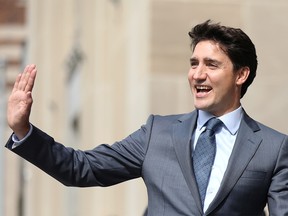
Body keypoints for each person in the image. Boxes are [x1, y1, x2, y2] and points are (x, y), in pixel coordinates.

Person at [5, 20, 288, 215]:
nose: (197, 74)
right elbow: (81, 168)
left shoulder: (274, 149)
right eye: (194, 64)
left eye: (211, 65)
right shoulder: (157, 133)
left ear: (241, 74)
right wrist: (23, 130)